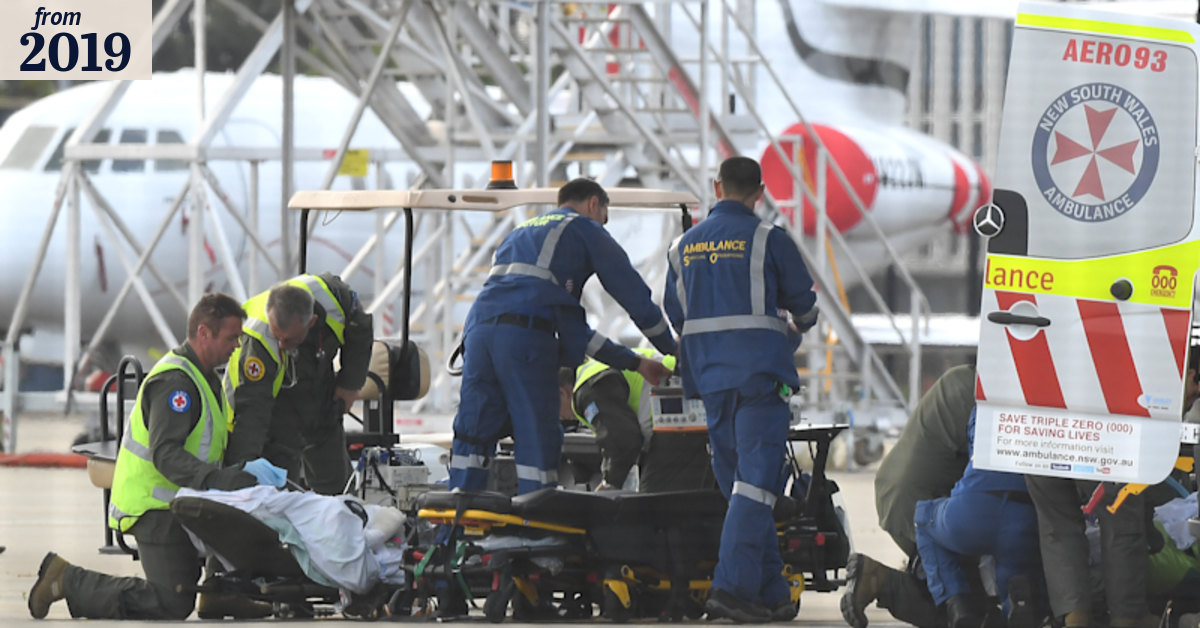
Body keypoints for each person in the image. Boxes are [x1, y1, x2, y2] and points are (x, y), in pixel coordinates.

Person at [27, 293, 288, 620]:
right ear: (204, 333)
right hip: (155, 508)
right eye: (231, 337)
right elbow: (166, 455)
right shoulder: (176, 384)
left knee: (239, 515)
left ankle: (221, 593)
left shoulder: (205, 377)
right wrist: (218, 480)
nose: (237, 345)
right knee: (171, 604)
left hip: (183, 501)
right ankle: (66, 578)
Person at [663, 156, 818, 622]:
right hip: (757, 377)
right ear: (760, 192)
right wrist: (793, 331)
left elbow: (677, 312)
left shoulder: (682, 247)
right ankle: (729, 589)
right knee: (756, 486)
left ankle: (769, 590)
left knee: (743, 490)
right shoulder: (768, 238)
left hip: (709, 380)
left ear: (717, 186)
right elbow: (804, 305)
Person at [450, 178, 676, 495]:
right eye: (604, 218)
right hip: (525, 338)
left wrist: (635, 363)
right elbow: (636, 300)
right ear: (594, 204)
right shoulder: (585, 229)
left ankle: (457, 526)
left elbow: (578, 335)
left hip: (478, 332)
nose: (603, 226)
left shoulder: (520, 234)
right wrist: (676, 353)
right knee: (536, 433)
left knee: (474, 432)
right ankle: (537, 530)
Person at [1027, 348, 1200, 628]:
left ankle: (1075, 618)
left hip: (1038, 419)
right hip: (1104, 423)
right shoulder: (1148, 359)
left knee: (1056, 527)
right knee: (1121, 521)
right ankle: (1128, 617)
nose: (1191, 400)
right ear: (1190, 375)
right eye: (1193, 392)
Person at [841, 364, 976, 628]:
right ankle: (886, 581)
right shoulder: (980, 400)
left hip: (895, 493)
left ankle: (879, 577)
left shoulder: (960, 378)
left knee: (953, 588)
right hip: (920, 506)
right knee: (967, 606)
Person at [224, 273, 373, 495]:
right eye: (279, 338)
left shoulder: (335, 299)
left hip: (319, 390)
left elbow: (360, 330)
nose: (282, 345)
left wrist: (350, 384)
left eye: (289, 340)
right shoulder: (260, 341)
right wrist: (243, 468)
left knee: (338, 492)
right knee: (284, 492)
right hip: (273, 407)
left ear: (311, 323)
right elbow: (252, 411)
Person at [914, 407, 1043, 628]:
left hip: (972, 509)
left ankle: (957, 604)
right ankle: (1013, 606)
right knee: (1013, 576)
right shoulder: (1042, 411)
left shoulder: (983, 406)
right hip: (1023, 514)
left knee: (924, 518)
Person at [558, 347, 714, 492]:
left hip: (680, 423)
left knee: (653, 509)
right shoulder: (598, 367)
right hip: (699, 410)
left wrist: (610, 482)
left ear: (561, 392)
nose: (558, 416)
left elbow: (622, 439)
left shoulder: (586, 388)